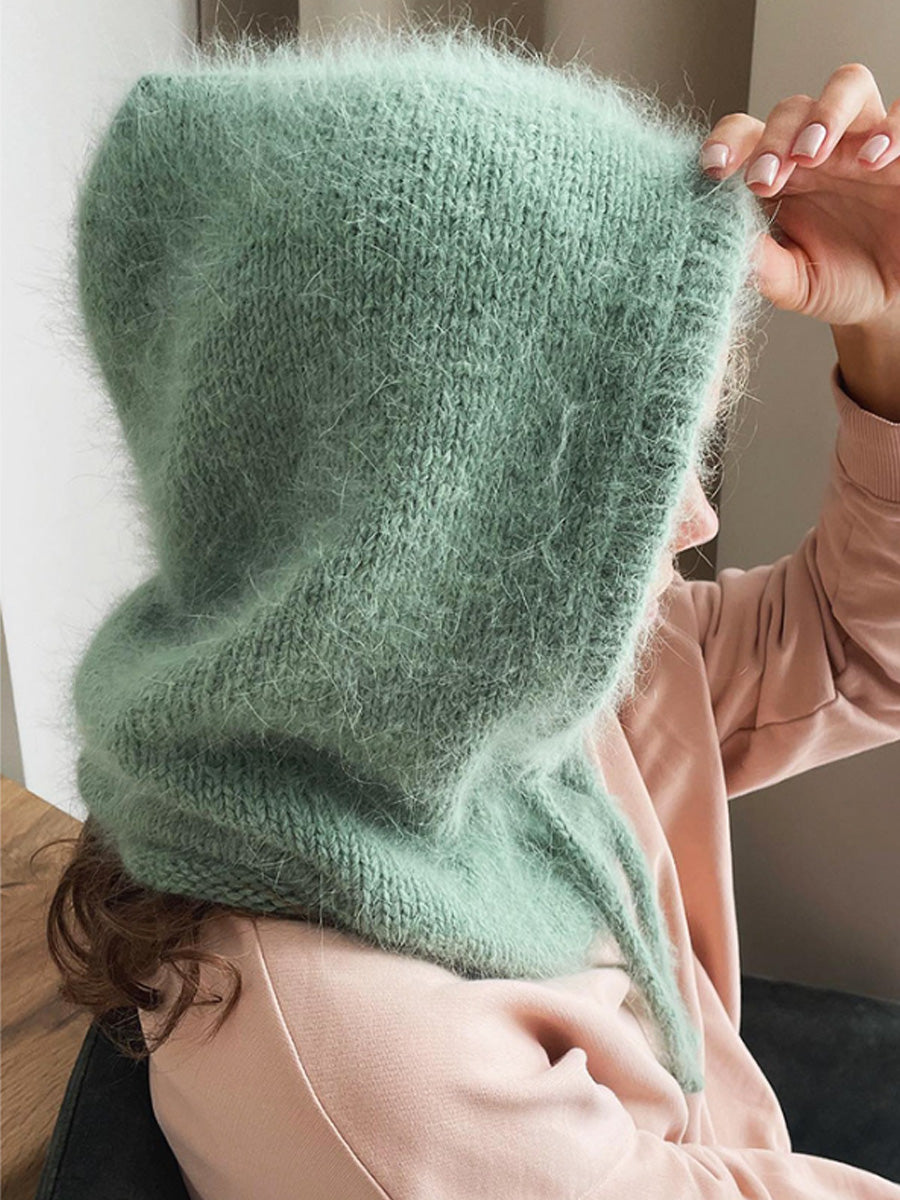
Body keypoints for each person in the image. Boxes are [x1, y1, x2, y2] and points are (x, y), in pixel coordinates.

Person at [44, 18, 900, 1199]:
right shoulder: (376, 1076)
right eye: (633, 478)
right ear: (435, 506)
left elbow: (856, 647)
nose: (696, 525)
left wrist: (888, 322)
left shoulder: (523, 686)